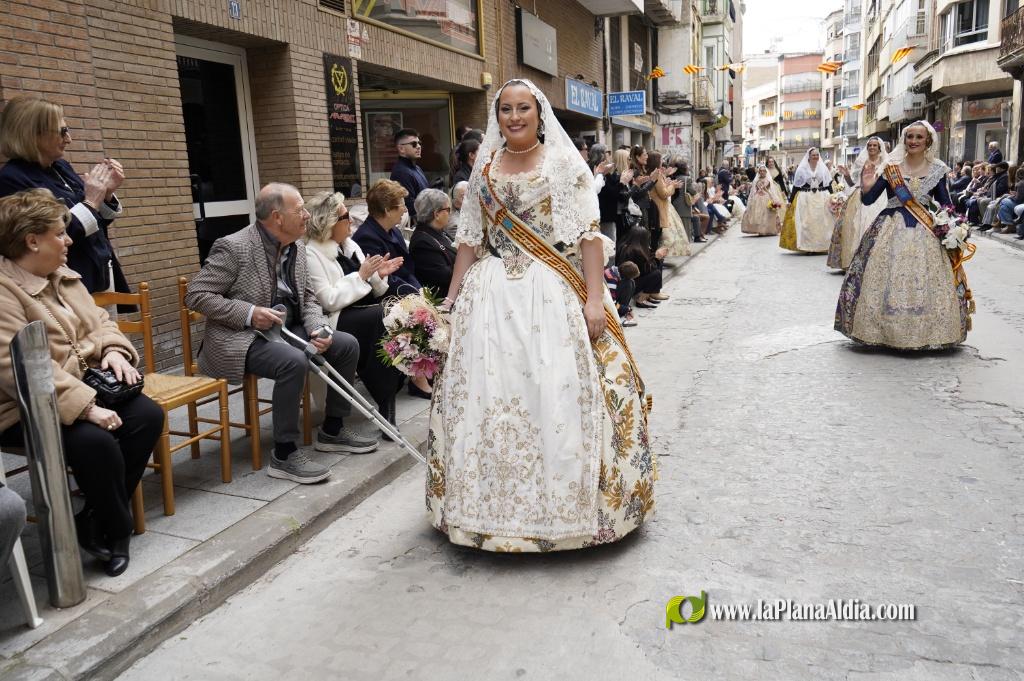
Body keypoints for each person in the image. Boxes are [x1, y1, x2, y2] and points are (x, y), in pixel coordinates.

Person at [427, 79, 653, 553]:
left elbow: (588, 236)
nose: (514, 117)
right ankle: (485, 514)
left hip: (551, 292)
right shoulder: (485, 169)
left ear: (539, 111)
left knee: (557, 393)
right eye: (506, 109)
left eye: (523, 108)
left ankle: (568, 512)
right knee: (487, 397)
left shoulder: (563, 163)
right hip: (489, 299)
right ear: (497, 116)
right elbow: (469, 242)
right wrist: (448, 304)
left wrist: (594, 298)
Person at [0, 188, 163, 577]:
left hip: (86, 383)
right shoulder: (4, 291)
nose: (69, 240)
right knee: (96, 442)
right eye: (60, 233)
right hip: (25, 406)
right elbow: (15, 366)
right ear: (32, 240)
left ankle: (93, 518)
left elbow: (102, 323)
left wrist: (112, 352)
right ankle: (117, 530)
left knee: (147, 416)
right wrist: (87, 408)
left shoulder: (63, 276)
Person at [186, 183, 378, 485]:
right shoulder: (234, 246)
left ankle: (333, 429)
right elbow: (197, 295)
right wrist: (249, 313)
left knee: (345, 344)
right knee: (293, 361)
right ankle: (284, 454)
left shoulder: (298, 247)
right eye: (299, 209)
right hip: (242, 336)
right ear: (277, 217)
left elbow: (310, 297)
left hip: (289, 327)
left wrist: (318, 327)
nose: (306, 215)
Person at [835, 121, 974, 350]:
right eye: (910, 137)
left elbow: (946, 205)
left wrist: (955, 228)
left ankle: (930, 332)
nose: (913, 141)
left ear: (928, 141)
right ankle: (884, 332)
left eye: (919, 137)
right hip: (890, 226)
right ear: (904, 139)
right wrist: (867, 185)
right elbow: (868, 200)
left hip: (927, 229)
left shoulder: (938, 169)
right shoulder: (891, 167)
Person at [0, 95, 130, 297]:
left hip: (99, 272)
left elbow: (93, 222)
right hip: (64, 282)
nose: (69, 139)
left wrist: (106, 194)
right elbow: (49, 236)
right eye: (62, 132)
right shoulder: (13, 179)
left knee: (105, 328)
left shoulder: (60, 167)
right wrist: (91, 201)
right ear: (34, 134)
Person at [303, 191, 404, 429]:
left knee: (399, 311)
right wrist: (361, 275)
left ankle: (388, 397)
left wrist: (378, 275)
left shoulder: (350, 245)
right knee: (380, 317)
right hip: (334, 320)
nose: (351, 220)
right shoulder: (311, 253)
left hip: (361, 311)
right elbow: (327, 300)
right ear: (328, 222)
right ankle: (385, 401)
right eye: (345, 216)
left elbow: (374, 290)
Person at [353, 180, 433, 400]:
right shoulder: (367, 237)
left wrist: (418, 289)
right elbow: (382, 278)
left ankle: (427, 366)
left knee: (430, 303)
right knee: (414, 312)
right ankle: (418, 378)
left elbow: (406, 268)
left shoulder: (393, 231)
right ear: (387, 210)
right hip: (376, 295)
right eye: (401, 205)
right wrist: (413, 294)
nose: (405, 210)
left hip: (400, 287)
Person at [827, 137, 888, 270]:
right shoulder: (861, 162)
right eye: (870, 145)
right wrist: (847, 175)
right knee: (856, 226)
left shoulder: (885, 163)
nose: (872, 147)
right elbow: (852, 183)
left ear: (879, 148)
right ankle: (856, 261)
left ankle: (875, 261)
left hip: (880, 197)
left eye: (875, 145)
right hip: (860, 197)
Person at [779, 147, 833, 253]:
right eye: (813, 155)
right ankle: (808, 247)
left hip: (821, 197)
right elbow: (796, 186)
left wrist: (833, 197)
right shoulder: (802, 169)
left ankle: (822, 246)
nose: (816, 157)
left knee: (822, 222)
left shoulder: (823, 168)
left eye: (817, 155)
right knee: (807, 223)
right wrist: (790, 200)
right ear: (809, 156)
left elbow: (828, 184)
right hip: (806, 198)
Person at [409, 188, 457, 296]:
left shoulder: (437, 231)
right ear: (436, 214)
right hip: (443, 299)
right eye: (448, 210)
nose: (450, 213)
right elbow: (445, 276)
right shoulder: (422, 243)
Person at [648, 151, 690, 257]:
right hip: (658, 209)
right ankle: (656, 262)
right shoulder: (656, 174)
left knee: (660, 239)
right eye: (660, 160)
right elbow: (664, 193)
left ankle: (657, 262)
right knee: (660, 240)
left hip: (659, 208)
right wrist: (673, 187)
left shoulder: (657, 174)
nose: (662, 162)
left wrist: (669, 184)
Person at [617, 225, 668, 308]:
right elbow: (647, 270)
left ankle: (652, 293)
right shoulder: (635, 251)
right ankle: (643, 297)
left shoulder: (625, 246)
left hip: (625, 283)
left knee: (656, 267)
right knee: (656, 273)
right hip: (630, 284)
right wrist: (657, 258)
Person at [389, 128, 429, 221]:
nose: (418, 146)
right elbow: (410, 208)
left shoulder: (417, 168)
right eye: (414, 144)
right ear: (401, 148)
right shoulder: (401, 172)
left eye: (419, 143)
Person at [741, 164, 787, 236]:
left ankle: (767, 229)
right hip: (757, 198)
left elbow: (771, 190)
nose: (762, 172)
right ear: (759, 172)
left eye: (763, 171)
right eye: (760, 171)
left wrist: (774, 199)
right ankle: (760, 230)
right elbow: (753, 191)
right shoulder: (756, 180)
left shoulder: (769, 180)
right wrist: (752, 199)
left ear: (766, 172)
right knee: (758, 214)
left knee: (767, 214)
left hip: (767, 197)